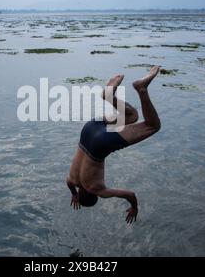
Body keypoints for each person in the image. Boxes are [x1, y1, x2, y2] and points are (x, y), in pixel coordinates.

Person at [66, 66, 162, 224]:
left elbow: (130, 194)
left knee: (152, 126)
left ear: (94, 196)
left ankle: (142, 89)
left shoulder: (97, 190)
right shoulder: (72, 180)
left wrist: (134, 207)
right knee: (132, 115)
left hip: (99, 145)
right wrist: (73, 194)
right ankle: (109, 96)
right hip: (88, 130)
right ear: (79, 192)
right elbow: (68, 184)